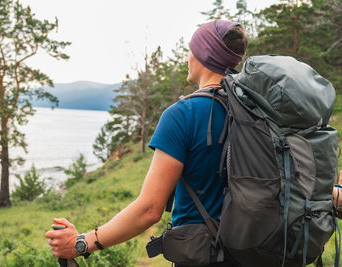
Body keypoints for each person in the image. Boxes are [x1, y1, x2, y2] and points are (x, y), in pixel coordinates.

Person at [45, 20, 248, 266]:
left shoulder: (183, 114)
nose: (187, 58)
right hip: (257, 250)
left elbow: (149, 209)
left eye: (190, 50)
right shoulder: (253, 110)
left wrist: (81, 243)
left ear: (203, 54)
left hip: (207, 255)